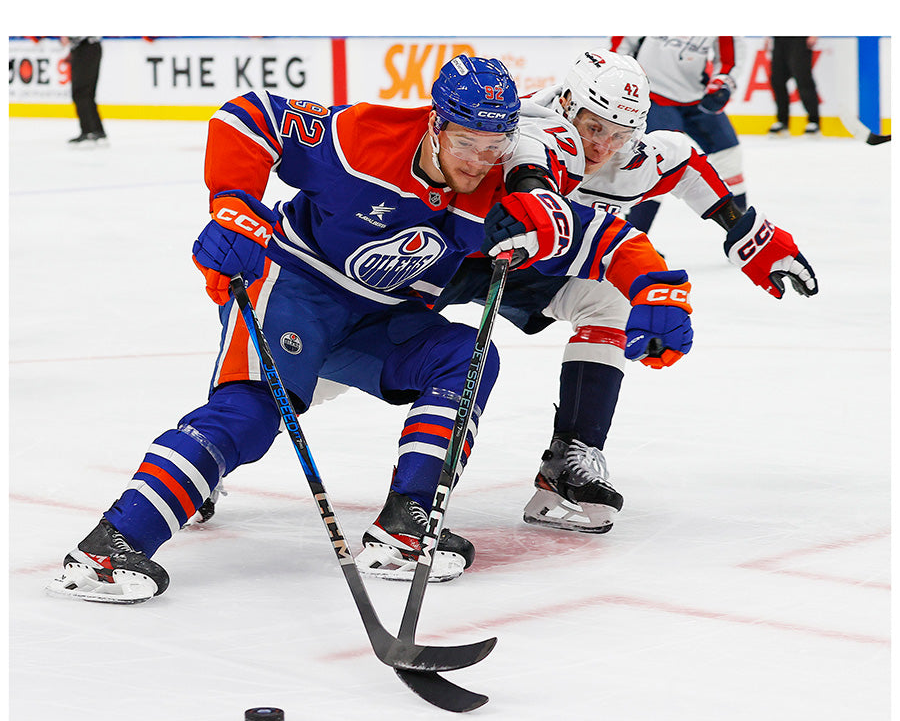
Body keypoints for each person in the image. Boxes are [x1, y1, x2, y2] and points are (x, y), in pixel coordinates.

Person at [46, 54, 692, 602]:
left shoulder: (504, 183)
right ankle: (110, 549)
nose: (478, 161)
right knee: (250, 415)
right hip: (296, 285)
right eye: (466, 143)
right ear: (435, 124)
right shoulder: (362, 140)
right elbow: (250, 117)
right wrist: (235, 209)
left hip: (382, 313)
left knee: (467, 358)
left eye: (494, 148)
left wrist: (655, 288)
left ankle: (406, 527)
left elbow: (602, 236)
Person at [434, 49, 818, 534]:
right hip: (442, 255)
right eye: (595, 128)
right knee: (341, 359)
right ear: (569, 103)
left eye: (620, 134)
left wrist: (745, 235)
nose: (603, 146)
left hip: (528, 264)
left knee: (608, 300)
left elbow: (686, 165)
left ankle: (569, 462)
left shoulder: (632, 157)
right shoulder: (527, 126)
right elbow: (532, 171)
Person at [607, 36, 746, 234]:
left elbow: (729, 58)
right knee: (654, 165)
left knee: (729, 154)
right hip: (653, 95)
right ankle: (633, 238)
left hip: (696, 96)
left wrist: (722, 84)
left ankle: (743, 232)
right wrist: (624, 83)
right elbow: (620, 48)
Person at [767, 37, 821, 135]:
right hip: (779, 39)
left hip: (799, 39)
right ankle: (782, 121)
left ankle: (814, 120)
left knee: (803, 78)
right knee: (777, 80)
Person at [62, 36, 107, 145]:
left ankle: (89, 131)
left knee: (81, 91)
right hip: (84, 48)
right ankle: (96, 130)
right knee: (85, 92)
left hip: (86, 47)